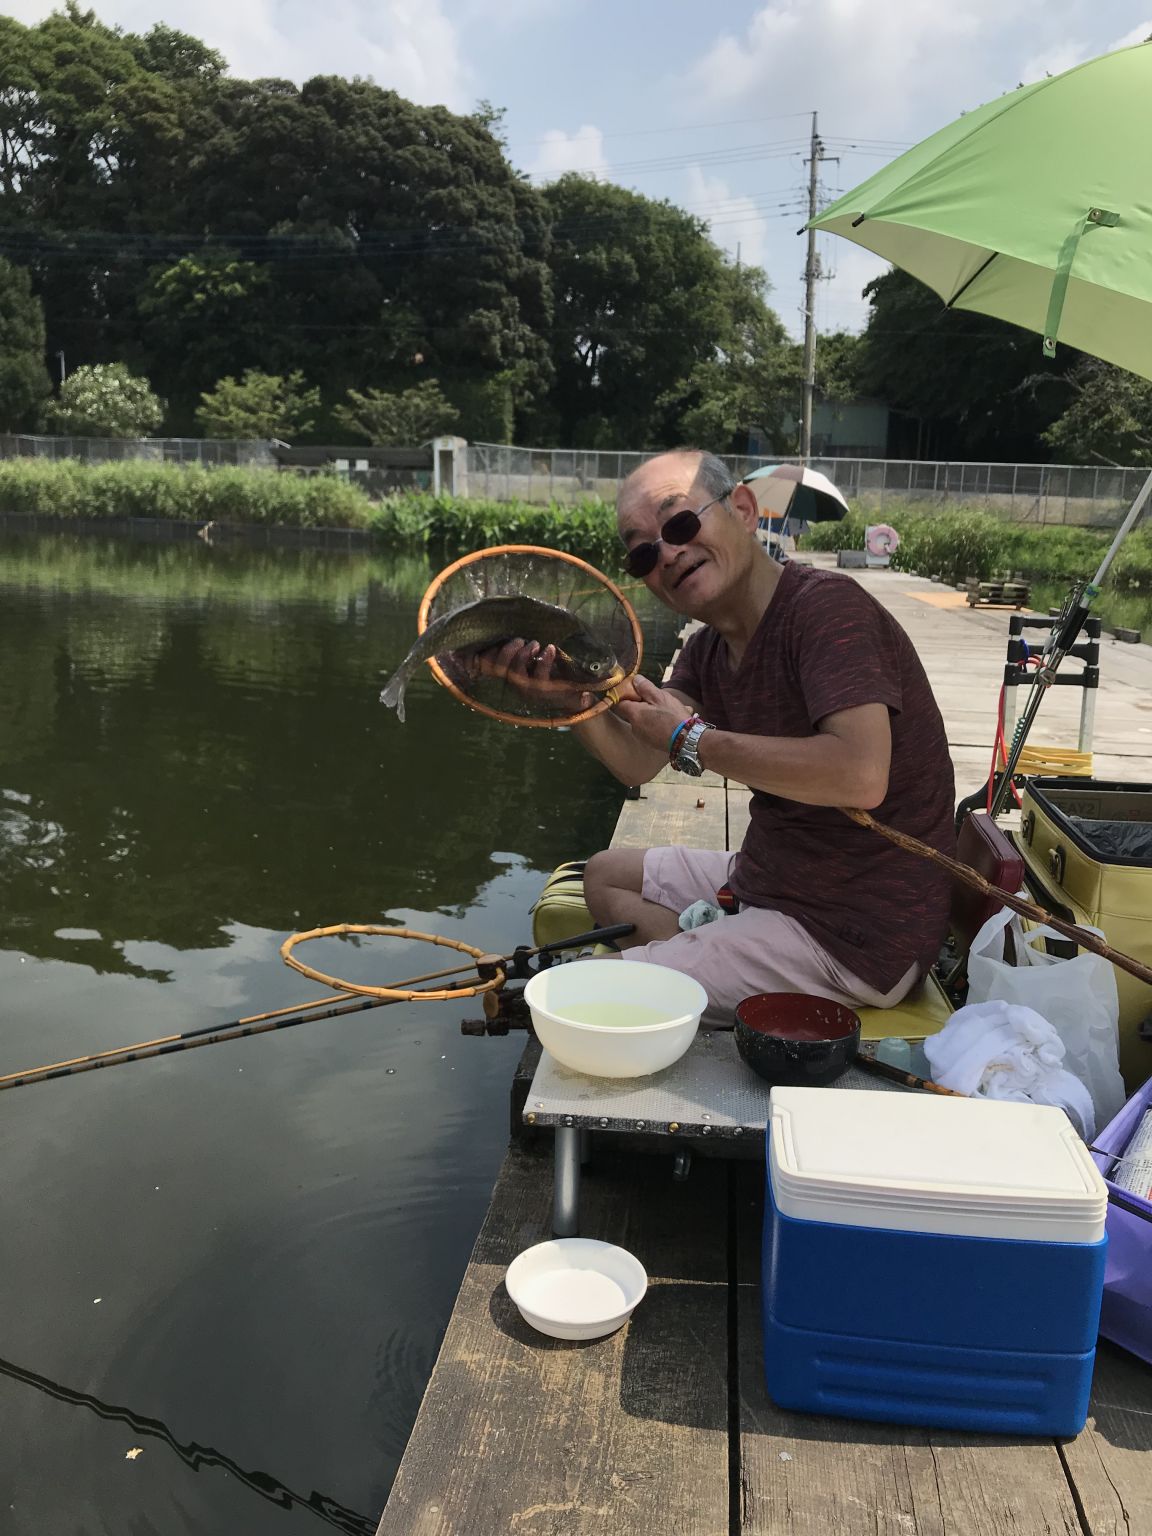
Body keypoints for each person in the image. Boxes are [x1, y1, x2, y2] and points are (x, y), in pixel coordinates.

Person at [487, 449, 956, 1021]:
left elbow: (859, 775)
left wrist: (691, 738)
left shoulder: (828, 612)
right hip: (773, 879)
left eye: (680, 523)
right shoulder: (710, 648)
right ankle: (706, 958)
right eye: (643, 553)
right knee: (605, 876)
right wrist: (570, 700)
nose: (668, 553)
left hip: (856, 933)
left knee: (585, 997)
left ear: (742, 509)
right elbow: (639, 762)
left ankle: (691, 969)